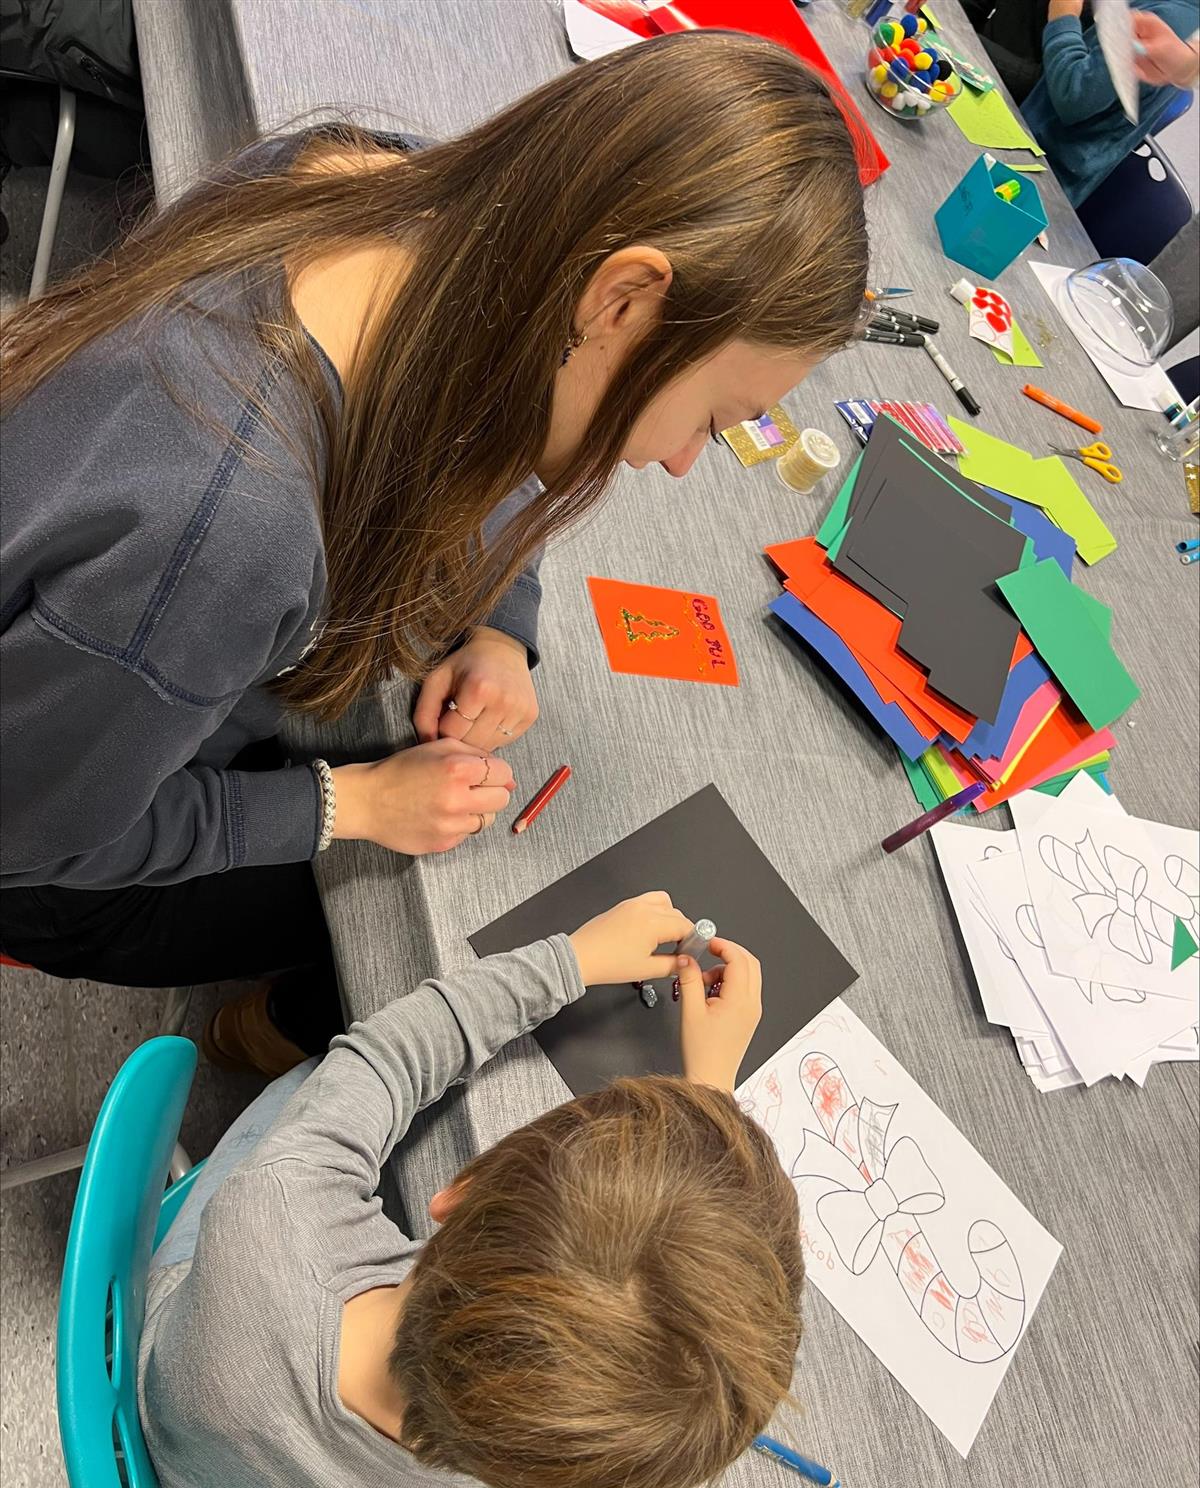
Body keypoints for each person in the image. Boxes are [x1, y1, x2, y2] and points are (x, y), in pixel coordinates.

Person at [0, 32, 869, 1072]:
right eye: (712, 421)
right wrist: (349, 804)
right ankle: (271, 1034)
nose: (681, 462)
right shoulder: (227, 534)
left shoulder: (395, 189)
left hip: (123, 692)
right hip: (56, 853)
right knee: (411, 931)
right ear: (624, 300)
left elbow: (487, 441)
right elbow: (41, 838)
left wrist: (499, 624)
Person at [138, 894, 800, 1488]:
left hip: (173, 1394)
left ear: (455, 1191)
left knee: (311, 1086)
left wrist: (569, 961)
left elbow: (383, 1060)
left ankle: (246, 1032)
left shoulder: (270, 1218)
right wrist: (709, 1097)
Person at [1020, 0, 1199, 205]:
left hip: (1039, 167)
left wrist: (1063, 15)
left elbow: (1074, 95)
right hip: (1038, 126)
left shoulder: (1171, 19)